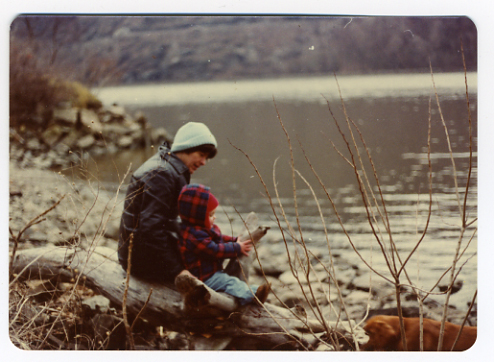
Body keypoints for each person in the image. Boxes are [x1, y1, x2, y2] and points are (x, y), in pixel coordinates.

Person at [118, 122, 218, 283]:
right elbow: (151, 229)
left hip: (139, 254)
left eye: (206, 157)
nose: (203, 162)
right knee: (209, 270)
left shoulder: (168, 166)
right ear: (185, 148)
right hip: (141, 262)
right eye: (201, 154)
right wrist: (178, 270)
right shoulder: (161, 173)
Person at [177, 183, 270, 305]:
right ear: (197, 216)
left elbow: (219, 238)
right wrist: (237, 247)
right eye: (210, 215)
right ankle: (252, 295)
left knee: (229, 281)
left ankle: (249, 294)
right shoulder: (194, 236)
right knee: (228, 282)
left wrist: (234, 240)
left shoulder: (200, 228)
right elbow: (215, 250)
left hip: (210, 272)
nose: (214, 217)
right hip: (203, 278)